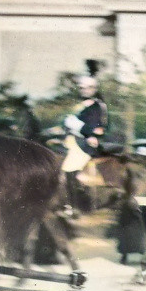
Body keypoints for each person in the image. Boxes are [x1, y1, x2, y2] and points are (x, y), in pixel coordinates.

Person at [61, 60, 108, 213]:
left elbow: (97, 128)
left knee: (67, 169)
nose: (84, 90)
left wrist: (76, 125)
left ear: (94, 89)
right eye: (82, 88)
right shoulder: (80, 106)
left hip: (86, 144)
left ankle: (71, 206)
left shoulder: (98, 106)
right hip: (73, 141)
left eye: (88, 88)